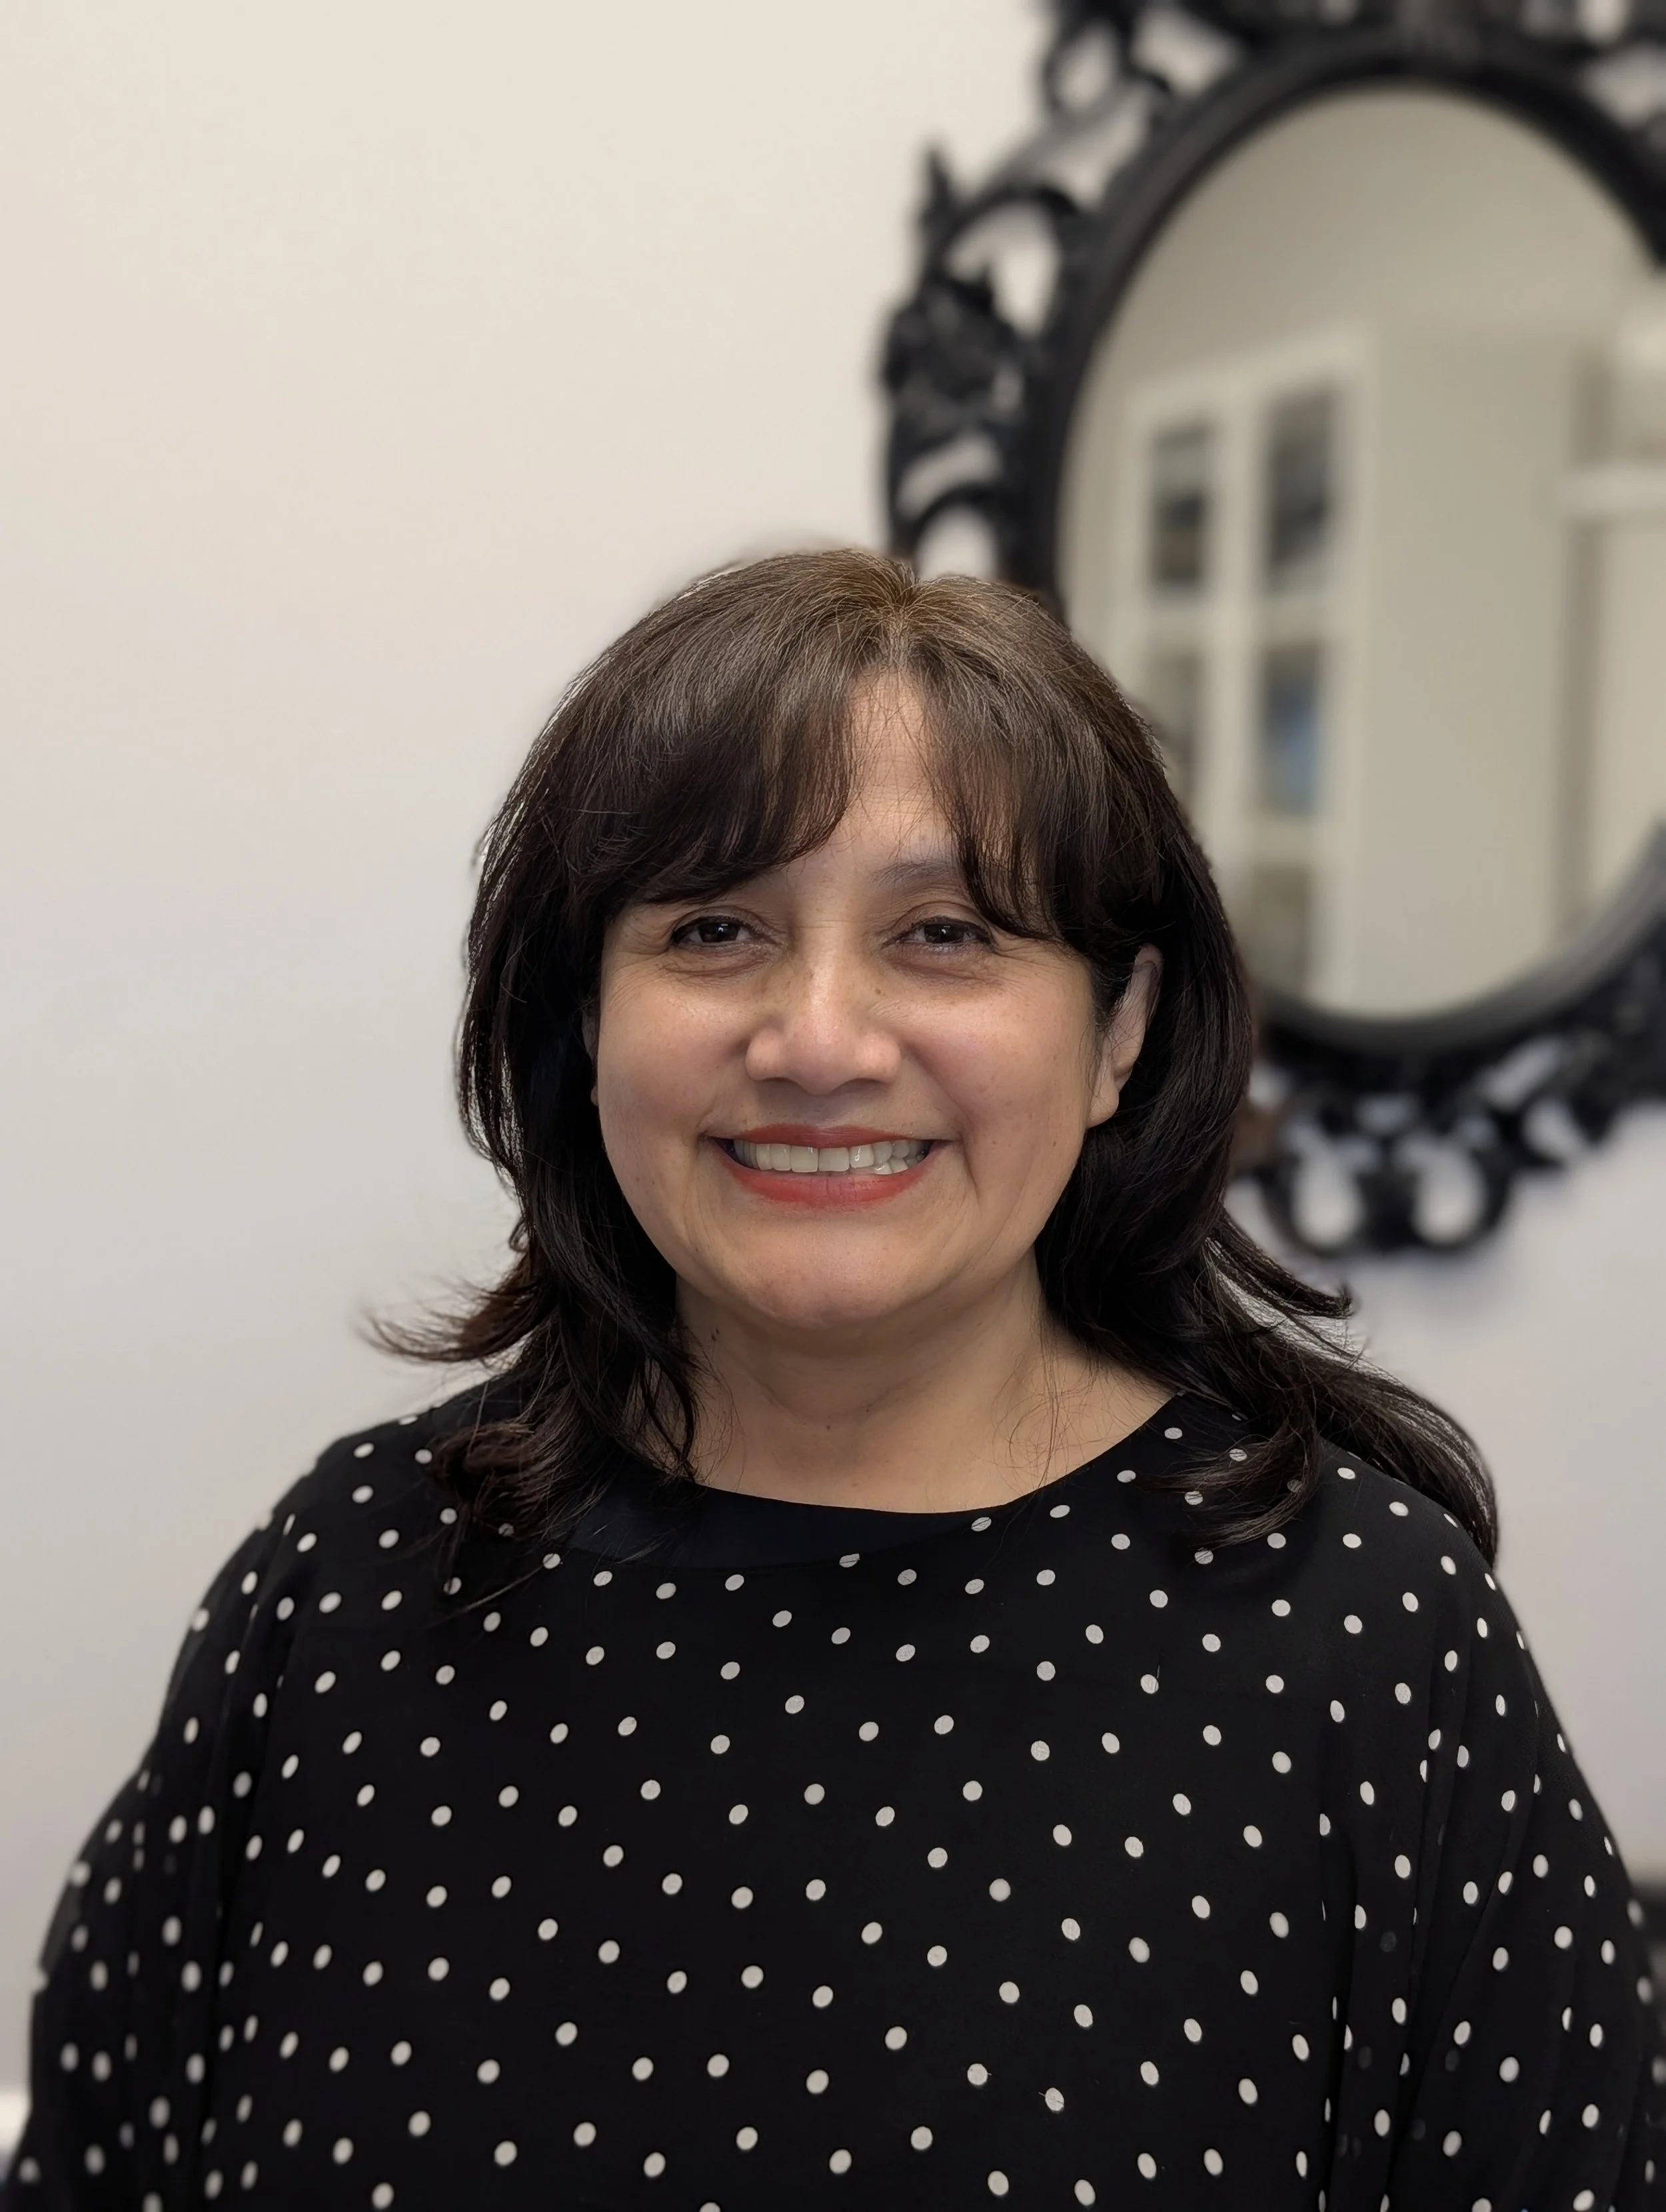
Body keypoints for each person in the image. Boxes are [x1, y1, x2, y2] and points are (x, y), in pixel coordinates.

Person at [6, 548, 1660, 2211]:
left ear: (1118, 1033)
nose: (815, 1037)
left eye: (942, 933)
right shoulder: (349, 1584)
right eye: (714, 928)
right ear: (588, 1017)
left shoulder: (1363, 1644)